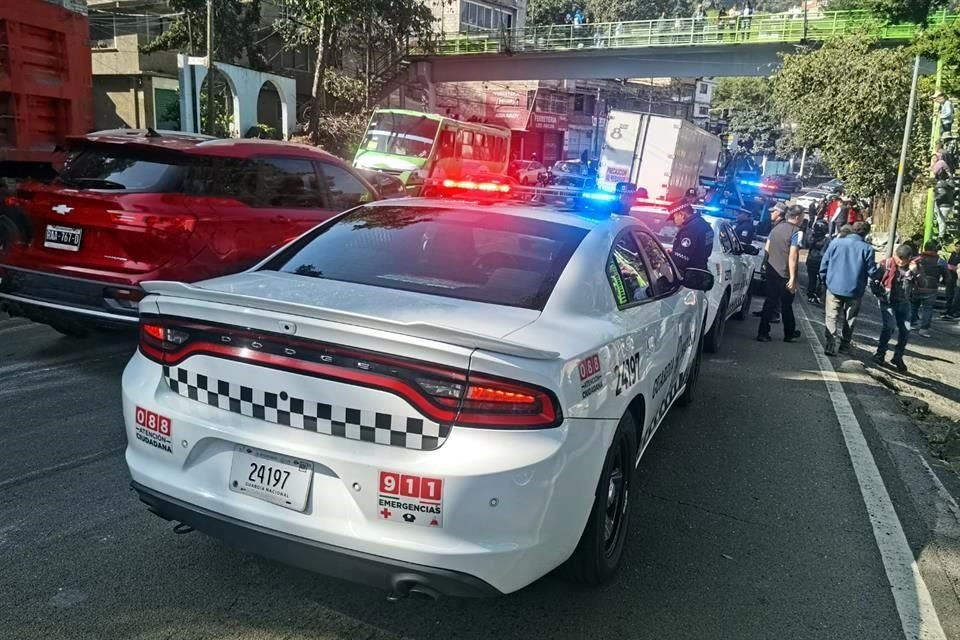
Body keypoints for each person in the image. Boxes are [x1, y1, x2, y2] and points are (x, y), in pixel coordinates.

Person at [819, 221, 879, 356]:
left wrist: (824, 280)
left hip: (834, 286)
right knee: (850, 318)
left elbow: (824, 264)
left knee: (831, 316)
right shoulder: (867, 249)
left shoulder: (836, 243)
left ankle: (830, 343)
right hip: (855, 290)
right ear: (867, 233)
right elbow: (872, 271)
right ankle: (845, 345)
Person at [757, 205, 802, 343]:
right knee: (786, 304)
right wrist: (793, 277)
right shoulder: (797, 231)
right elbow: (793, 255)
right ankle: (789, 333)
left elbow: (767, 247)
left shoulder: (776, 228)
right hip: (785, 272)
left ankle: (763, 332)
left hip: (772, 269)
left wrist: (764, 264)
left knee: (770, 301)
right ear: (797, 217)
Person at [872, 244, 917, 373]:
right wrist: (880, 295)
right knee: (889, 327)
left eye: (902, 260)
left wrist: (914, 273)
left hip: (904, 303)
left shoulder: (914, 268)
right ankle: (880, 353)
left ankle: (898, 356)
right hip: (888, 302)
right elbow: (874, 281)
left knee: (905, 330)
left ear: (909, 259)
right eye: (898, 258)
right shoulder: (885, 264)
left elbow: (923, 283)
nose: (899, 261)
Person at [910, 240, 946, 338]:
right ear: (936, 249)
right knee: (928, 309)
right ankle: (924, 329)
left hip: (916, 286)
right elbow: (946, 275)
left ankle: (912, 323)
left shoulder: (917, 259)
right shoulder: (940, 261)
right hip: (931, 288)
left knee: (913, 305)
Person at [669, 202, 714, 272]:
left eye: (674, 217)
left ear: (681, 214)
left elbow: (681, 259)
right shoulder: (704, 225)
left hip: (689, 274)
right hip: (701, 270)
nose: (674, 222)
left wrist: (668, 257)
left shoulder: (690, 229)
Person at [805, 216, 830, 304]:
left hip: (811, 259)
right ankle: (819, 295)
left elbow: (806, 244)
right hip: (821, 261)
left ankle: (810, 294)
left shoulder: (811, 237)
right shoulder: (827, 240)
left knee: (812, 279)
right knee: (822, 280)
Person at [941, 242, 960, 319]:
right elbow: (949, 264)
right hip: (951, 277)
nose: (957, 248)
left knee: (957, 296)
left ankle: (954, 311)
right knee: (949, 294)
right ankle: (948, 309)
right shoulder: (953, 254)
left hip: (957, 278)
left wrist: (952, 267)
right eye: (956, 246)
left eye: (959, 246)